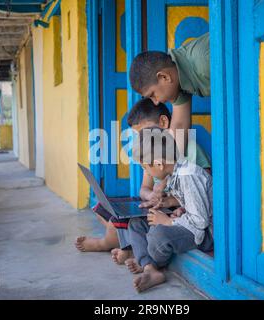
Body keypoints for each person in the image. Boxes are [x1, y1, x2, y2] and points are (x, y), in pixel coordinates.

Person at [75, 99, 211, 263]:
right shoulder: (153, 157)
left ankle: (125, 249)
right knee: (120, 217)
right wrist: (157, 198)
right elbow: (145, 189)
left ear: (162, 122)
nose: (141, 139)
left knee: (147, 231)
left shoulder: (185, 158)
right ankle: (139, 256)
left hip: (196, 223)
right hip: (175, 210)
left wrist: (172, 215)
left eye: (144, 133)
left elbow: (201, 194)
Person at [127, 126, 213, 293]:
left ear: (159, 164)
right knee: (136, 224)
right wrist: (174, 206)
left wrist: (168, 221)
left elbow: (201, 221)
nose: (146, 172)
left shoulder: (188, 176)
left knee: (158, 235)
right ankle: (150, 268)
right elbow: (192, 202)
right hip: (189, 222)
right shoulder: (175, 172)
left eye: (146, 168)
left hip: (205, 233)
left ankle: (148, 264)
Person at [129, 32, 210, 155]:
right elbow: (179, 125)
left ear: (164, 77)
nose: (156, 102)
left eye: (152, 95)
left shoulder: (204, 62)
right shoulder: (177, 84)